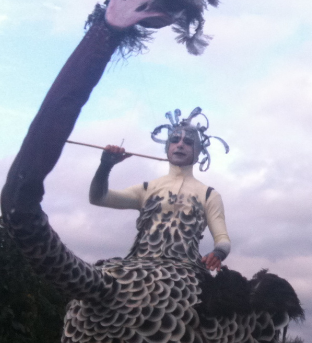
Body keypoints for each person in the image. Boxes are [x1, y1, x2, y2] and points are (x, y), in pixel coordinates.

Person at [89, 107, 230, 272]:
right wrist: (105, 166)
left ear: (198, 153)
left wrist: (218, 253)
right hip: (138, 268)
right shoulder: (147, 188)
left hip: (185, 272)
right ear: (167, 148)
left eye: (188, 142)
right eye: (175, 140)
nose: (180, 145)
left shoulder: (209, 195)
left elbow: (222, 238)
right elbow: (98, 198)